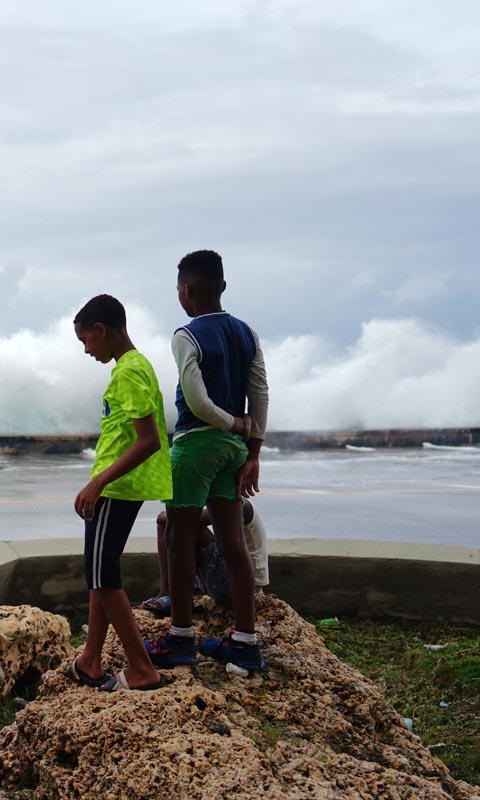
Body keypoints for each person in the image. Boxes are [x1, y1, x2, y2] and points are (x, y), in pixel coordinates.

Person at [144, 249, 269, 677]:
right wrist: (251, 447)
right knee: (232, 540)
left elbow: (197, 400)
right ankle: (245, 643)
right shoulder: (246, 332)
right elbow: (261, 393)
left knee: (179, 535)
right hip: (234, 451)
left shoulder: (186, 335)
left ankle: (180, 638)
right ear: (223, 287)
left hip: (197, 444)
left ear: (185, 291)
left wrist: (229, 421)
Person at [64, 294, 173, 692]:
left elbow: (148, 440)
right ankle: (90, 660)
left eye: (86, 341)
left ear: (102, 330)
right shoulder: (135, 366)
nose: (87, 350)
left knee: (102, 574)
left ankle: (142, 668)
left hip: (117, 487)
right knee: (100, 571)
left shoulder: (128, 372)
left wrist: (98, 482)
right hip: (121, 485)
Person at [137, 500, 269, 615]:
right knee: (181, 525)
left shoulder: (239, 504)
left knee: (172, 525)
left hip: (239, 590)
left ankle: (168, 594)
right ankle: (177, 591)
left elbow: (184, 520)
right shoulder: (234, 502)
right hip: (245, 588)